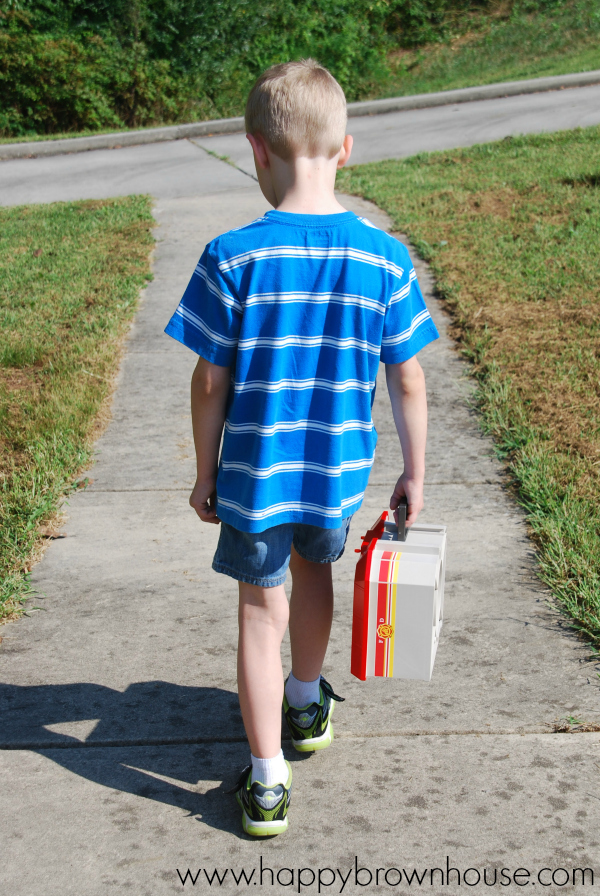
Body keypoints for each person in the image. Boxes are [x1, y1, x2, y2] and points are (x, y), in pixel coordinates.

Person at [164, 59, 438, 836]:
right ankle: (307, 699)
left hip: (255, 476)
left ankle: (266, 781)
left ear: (257, 149)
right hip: (336, 473)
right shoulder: (383, 256)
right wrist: (414, 473)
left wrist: (204, 470)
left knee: (260, 615)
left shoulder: (233, 255)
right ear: (345, 148)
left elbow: (208, 382)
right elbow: (409, 380)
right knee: (319, 571)